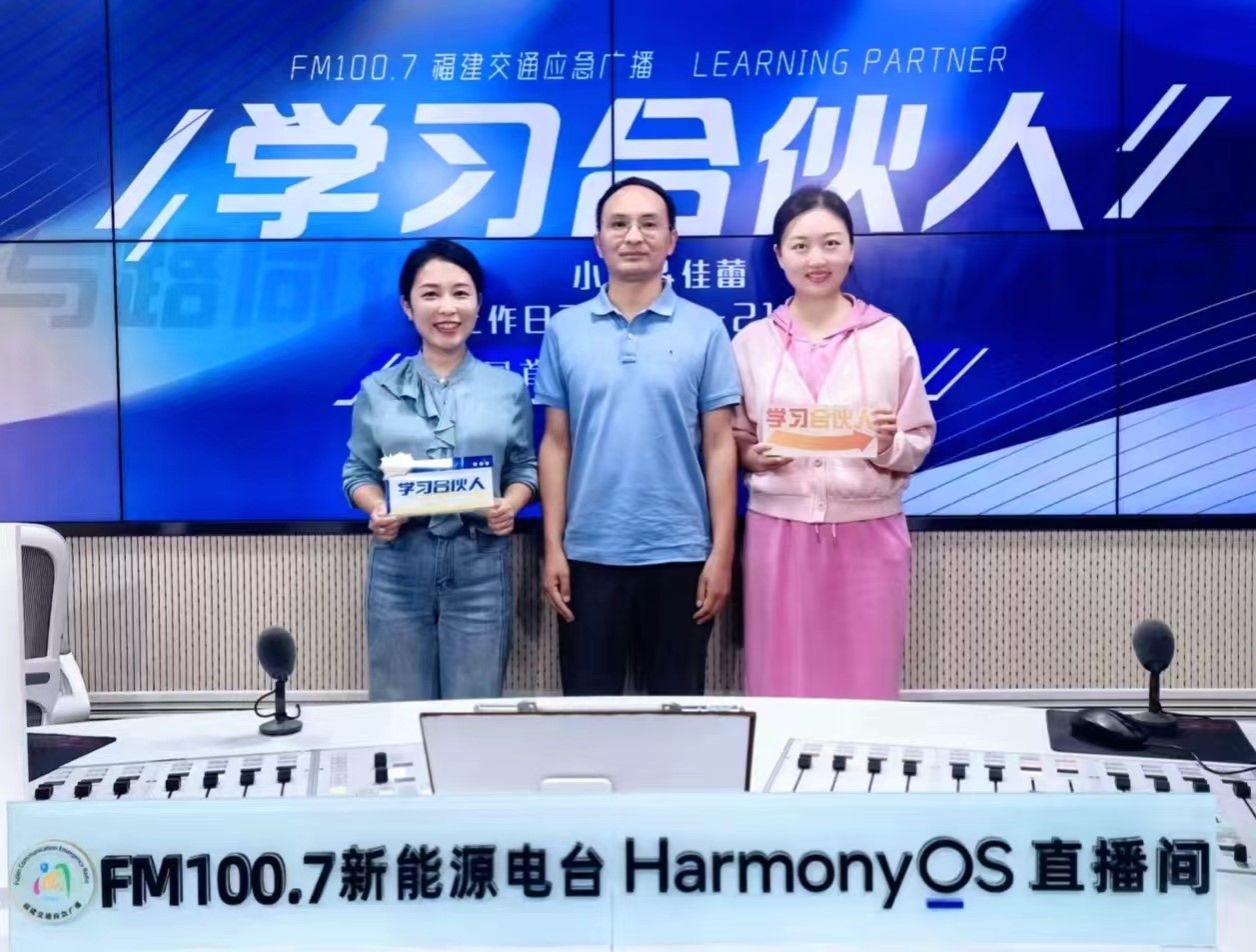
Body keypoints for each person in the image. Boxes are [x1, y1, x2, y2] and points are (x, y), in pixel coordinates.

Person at [535, 177, 741, 696]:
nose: (633, 236)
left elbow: (720, 446)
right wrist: (553, 548)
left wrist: (721, 553)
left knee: (677, 712)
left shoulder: (706, 328)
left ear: (672, 240)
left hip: (681, 554)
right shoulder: (565, 329)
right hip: (588, 556)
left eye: (649, 224)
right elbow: (556, 443)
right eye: (619, 224)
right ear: (598, 241)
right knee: (586, 712)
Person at [732, 186, 935, 699]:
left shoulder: (888, 336)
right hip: (778, 530)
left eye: (830, 243)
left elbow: (919, 436)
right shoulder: (751, 343)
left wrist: (887, 445)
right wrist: (750, 456)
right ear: (779, 255)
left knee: (865, 678)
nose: (816, 259)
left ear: (851, 249)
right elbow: (734, 435)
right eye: (800, 246)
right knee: (782, 679)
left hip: (869, 531)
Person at [342, 239, 537, 701]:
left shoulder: (508, 389)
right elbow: (358, 472)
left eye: (460, 293)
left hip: (480, 561)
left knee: (474, 708)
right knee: (397, 707)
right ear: (407, 307)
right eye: (430, 294)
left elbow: (524, 468)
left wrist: (510, 506)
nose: (447, 308)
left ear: (478, 303)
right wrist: (378, 509)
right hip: (399, 562)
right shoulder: (377, 389)